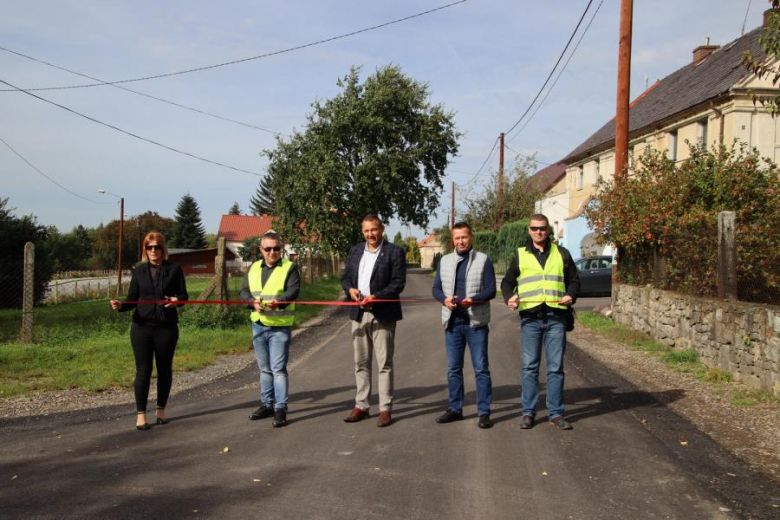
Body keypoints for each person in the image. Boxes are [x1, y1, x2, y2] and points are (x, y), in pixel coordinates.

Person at [501, 214, 580, 430]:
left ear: (548, 230)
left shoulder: (562, 254)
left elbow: (574, 281)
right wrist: (510, 298)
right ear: (529, 230)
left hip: (556, 318)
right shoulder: (520, 255)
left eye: (543, 228)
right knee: (529, 368)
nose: (539, 232)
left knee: (555, 368)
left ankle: (556, 414)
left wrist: (570, 295)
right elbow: (507, 283)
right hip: (530, 319)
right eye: (535, 228)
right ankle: (528, 412)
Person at [110, 232, 188, 431]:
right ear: (145, 250)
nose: (153, 251)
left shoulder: (174, 269)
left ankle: (160, 411)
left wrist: (176, 300)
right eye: (149, 247)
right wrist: (121, 305)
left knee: (164, 369)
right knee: (143, 371)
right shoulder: (139, 271)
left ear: (163, 249)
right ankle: (141, 415)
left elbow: (183, 296)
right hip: (141, 327)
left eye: (157, 247)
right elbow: (132, 298)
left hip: (166, 327)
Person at [341, 214, 406, 427]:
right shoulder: (355, 251)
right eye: (367, 231)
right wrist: (349, 289)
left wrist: (376, 296)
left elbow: (398, 283)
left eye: (374, 230)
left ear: (382, 229)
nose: (371, 234)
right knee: (360, 362)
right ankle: (362, 405)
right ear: (363, 232)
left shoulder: (395, 252)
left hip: (383, 313)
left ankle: (385, 408)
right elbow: (346, 278)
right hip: (358, 314)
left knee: (384, 363)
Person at [432, 222, 496, 429]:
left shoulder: (483, 260)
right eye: (457, 238)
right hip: (452, 323)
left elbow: (491, 290)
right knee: (453, 369)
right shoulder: (445, 260)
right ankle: (455, 409)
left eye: (464, 237)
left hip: (475, 323)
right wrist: (444, 299)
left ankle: (484, 412)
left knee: (481, 369)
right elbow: (436, 288)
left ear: (471, 238)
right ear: (453, 239)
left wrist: (474, 299)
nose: (460, 241)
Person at [240, 231, 300, 428]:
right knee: (264, 369)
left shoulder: (289, 267)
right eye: (268, 249)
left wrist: (279, 302)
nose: (272, 252)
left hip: (279, 327)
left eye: (276, 248)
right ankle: (267, 404)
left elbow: (293, 291)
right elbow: (244, 291)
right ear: (261, 250)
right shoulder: (254, 268)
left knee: (278, 370)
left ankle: (280, 408)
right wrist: (251, 303)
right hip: (258, 323)